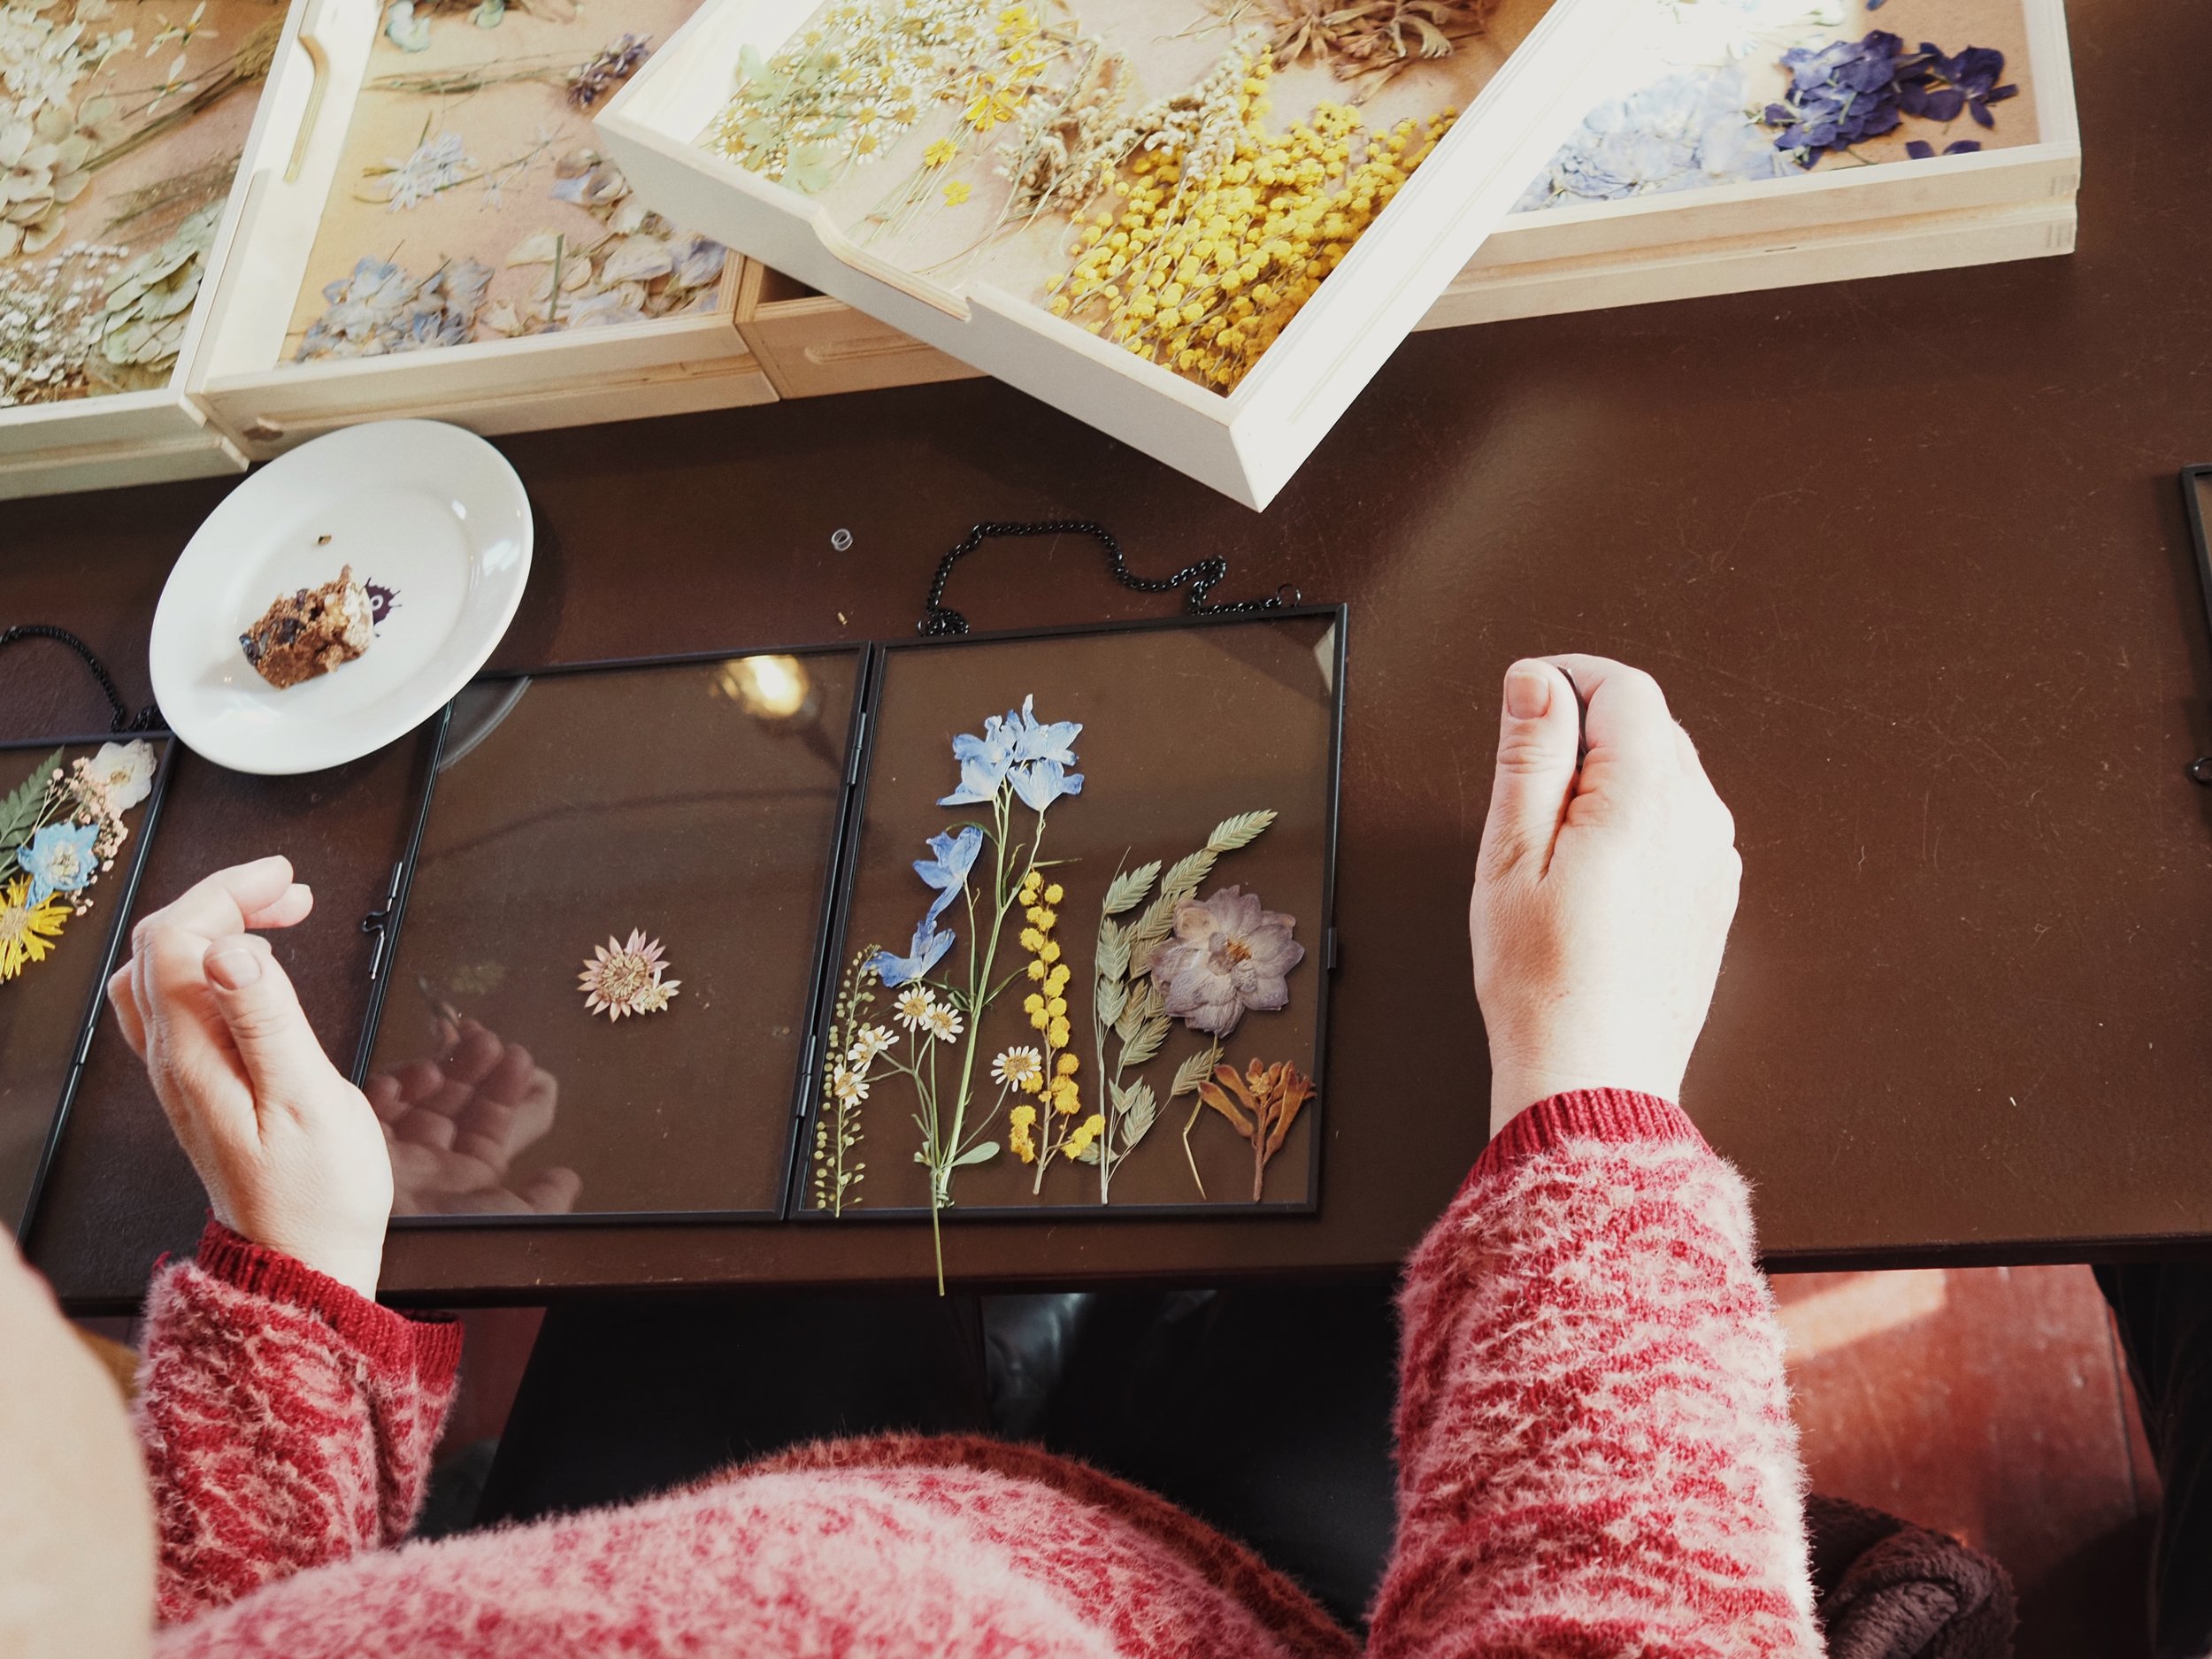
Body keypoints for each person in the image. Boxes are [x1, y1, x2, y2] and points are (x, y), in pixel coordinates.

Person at [0, 653, 1826, 1657]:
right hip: (1249, 1602)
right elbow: (1623, 1623)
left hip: (772, 1514)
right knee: (1368, 1216)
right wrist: (1585, 1080)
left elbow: (200, 1620)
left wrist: (295, 1283)